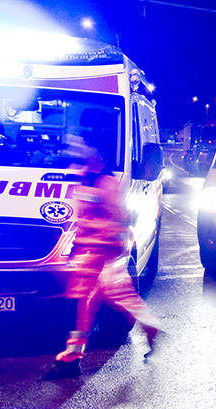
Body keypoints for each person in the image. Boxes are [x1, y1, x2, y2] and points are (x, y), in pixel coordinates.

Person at [48, 133, 160, 379]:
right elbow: (83, 219)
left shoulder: (106, 183)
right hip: (91, 254)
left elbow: (117, 220)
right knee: (96, 303)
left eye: (82, 147)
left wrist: (100, 251)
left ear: (96, 153)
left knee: (97, 302)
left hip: (102, 255)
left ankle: (71, 358)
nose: (76, 153)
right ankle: (72, 358)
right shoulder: (86, 177)